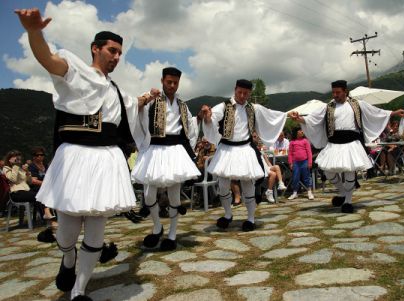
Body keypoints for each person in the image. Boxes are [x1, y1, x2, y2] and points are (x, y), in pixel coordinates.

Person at [15, 8, 153, 301]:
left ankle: (79, 291)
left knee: (95, 232)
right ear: (96, 48)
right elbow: (47, 59)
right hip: (75, 158)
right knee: (66, 232)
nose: (116, 57)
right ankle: (67, 258)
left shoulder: (117, 91)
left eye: (120, 53)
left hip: (106, 160)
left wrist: (146, 100)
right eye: (112, 51)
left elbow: (133, 105)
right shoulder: (74, 72)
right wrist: (34, 31)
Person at [292, 80, 404, 213]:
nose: (335, 95)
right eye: (333, 92)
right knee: (328, 171)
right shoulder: (328, 107)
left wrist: (394, 113)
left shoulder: (357, 104)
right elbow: (312, 119)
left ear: (345, 91)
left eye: (338, 92)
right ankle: (342, 193)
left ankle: (348, 201)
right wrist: (299, 119)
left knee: (349, 171)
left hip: (352, 142)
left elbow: (375, 112)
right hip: (334, 142)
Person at [201, 79, 296, 231]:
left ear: (249, 93)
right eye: (240, 92)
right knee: (224, 186)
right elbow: (211, 119)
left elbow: (271, 116)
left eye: (246, 93)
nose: (242, 96)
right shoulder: (223, 106)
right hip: (226, 149)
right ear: (235, 90)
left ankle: (251, 219)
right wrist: (206, 116)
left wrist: (287, 114)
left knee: (248, 186)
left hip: (245, 149)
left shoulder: (253, 108)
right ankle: (227, 214)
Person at [131, 67, 201, 251]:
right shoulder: (151, 98)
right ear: (162, 80)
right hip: (155, 148)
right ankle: (157, 226)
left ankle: (172, 234)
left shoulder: (182, 104)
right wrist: (147, 98)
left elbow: (190, 127)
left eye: (175, 82)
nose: (172, 85)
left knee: (174, 195)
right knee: (149, 194)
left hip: (175, 149)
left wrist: (200, 118)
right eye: (169, 82)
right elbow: (133, 109)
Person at [287, 128, 314, 200]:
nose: (302, 131)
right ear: (296, 132)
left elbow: (309, 152)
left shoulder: (305, 141)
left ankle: (309, 191)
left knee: (306, 177)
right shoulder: (292, 142)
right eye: (300, 130)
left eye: (302, 130)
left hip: (305, 162)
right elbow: (290, 153)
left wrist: (310, 162)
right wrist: (290, 163)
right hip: (295, 163)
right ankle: (295, 192)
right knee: (295, 177)